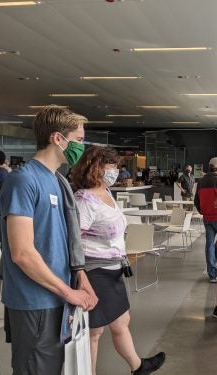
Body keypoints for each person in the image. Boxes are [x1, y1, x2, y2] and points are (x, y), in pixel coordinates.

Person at [0, 106, 98, 374]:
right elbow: (22, 253)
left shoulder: (57, 181)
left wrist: (81, 278)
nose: (81, 147)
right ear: (57, 138)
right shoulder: (23, 180)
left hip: (56, 297)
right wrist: (68, 292)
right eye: (78, 140)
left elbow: (61, 240)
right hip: (34, 301)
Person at [72, 146, 166, 375]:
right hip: (95, 270)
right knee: (94, 331)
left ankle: (138, 366)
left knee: (121, 320)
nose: (116, 171)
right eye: (111, 166)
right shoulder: (85, 199)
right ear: (96, 167)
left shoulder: (106, 193)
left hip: (113, 268)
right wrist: (79, 272)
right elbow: (72, 241)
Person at [194, 157, 217, 286]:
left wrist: (203, 212)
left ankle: (212, 274)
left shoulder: (201, 181)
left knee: (210, 245)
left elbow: (196, 200)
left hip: (207, 218)